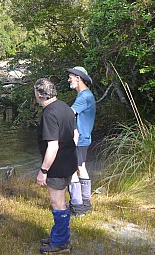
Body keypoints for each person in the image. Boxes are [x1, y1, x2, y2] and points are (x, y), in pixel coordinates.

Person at [34, 78, 78, 254]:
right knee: (61, 202)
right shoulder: (65, 107)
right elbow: (75, 135)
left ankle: (60, 242)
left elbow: (53, 146)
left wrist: (43, 171)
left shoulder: (49, 114)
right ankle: (58, 235)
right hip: (69, 161)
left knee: (57, 203)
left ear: (39, 94)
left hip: (57, 166)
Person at [66, 66, 96, 216]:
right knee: (81, 167)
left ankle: (77, 207)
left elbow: (69, 115)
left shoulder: (84, 97)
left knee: (72, 169)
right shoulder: (86, 95)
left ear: (78, 78)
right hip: (85, 138)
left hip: (79, 139)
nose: (68, 79)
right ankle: (86, 204)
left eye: (70, 77)